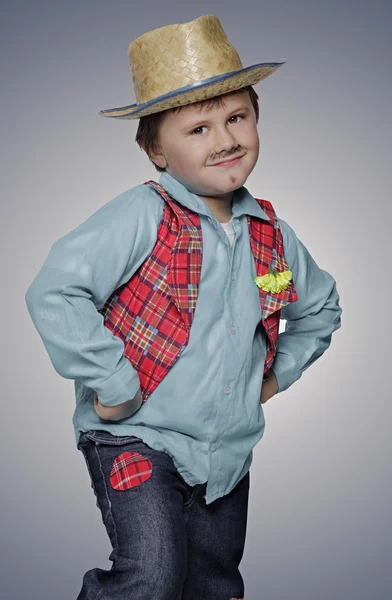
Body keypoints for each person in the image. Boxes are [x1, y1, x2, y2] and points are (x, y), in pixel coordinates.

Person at [24, 14, 342, 600]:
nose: (224, 140)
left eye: (237, 117)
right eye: (198, 129)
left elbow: (320, 309)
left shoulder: (273, 234)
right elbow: (56, 291)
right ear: (154, 150)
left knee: (213, 586)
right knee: (151, 574)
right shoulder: (141, 217)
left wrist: (273, 377)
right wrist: (113, 381)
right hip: (140, 438)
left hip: (227, 453)